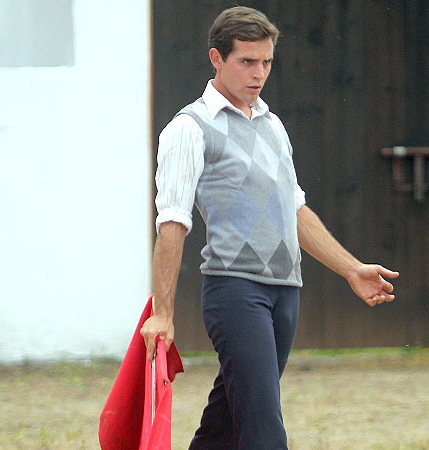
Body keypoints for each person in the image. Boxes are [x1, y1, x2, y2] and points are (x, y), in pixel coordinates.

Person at [140, 7, 399, 449]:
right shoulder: (189, 128)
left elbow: (294, 209)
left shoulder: (272, 124)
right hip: (235, 292)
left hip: (285, 290)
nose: (259, 73)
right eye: (247, 61)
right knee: (263, 428)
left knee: (227, 421)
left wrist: (351, 268)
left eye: (266, 62)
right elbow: (172, 222)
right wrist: (162, 313)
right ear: (216, 58)